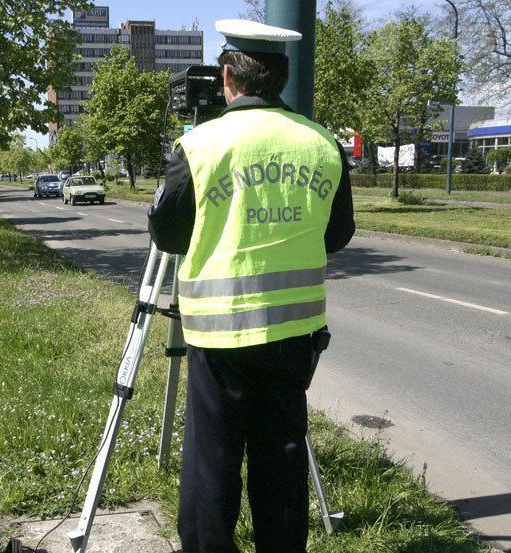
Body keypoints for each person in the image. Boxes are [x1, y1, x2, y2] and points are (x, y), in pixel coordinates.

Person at [147, 19, 355, 553]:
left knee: (213, 460)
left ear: (227, 78)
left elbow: (168, 235)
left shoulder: (197, 145)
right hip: (295, 332)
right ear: (282, 77)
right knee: (282, 458)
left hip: (218, 335)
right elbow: (338, 233)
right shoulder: (323, 144)